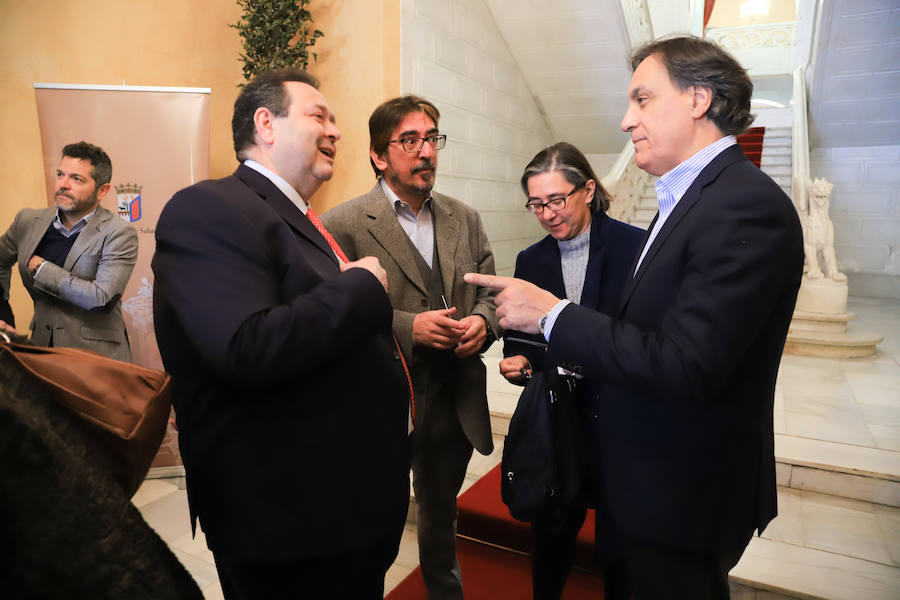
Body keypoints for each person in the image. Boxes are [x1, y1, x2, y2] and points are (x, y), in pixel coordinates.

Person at [465, 36, 804, 600]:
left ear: (698, 98)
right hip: (641, 483)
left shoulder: (744, 205)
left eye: (642, 99)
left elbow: (685, 363)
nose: (626, 121)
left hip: (680, 491)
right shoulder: (689, 200)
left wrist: (554, 315)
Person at [151, 69, 411, 599]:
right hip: (291, 527)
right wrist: (360, 286)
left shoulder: (299, 219)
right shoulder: (210, 208)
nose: (336, 131)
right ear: (265, 124)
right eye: (319, 116)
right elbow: (246, 346)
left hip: (343, 513)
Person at [323, 94, 498, 599]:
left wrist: (483, 323)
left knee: (441, 518)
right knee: (374, 521)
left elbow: (487, 287)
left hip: (453, 397)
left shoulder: (464, 217)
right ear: (380, 155)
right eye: (410, 141)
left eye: (432, 139)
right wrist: (405, 327)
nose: (426, 152)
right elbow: (332, 316)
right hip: (381, 402)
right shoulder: (345, 224)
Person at [500, 142, 643, 600]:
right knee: (552, 537)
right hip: (558, 424)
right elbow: (524, 338)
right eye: (536, 204)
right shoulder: (531, 260)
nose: (546, 214)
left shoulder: (634, 248)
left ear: (588, 190)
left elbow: (641, 341)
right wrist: (518, 360)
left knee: (620, 550)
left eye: (556, 200)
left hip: (621, 422)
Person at [0, 142, 137, 361]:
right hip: (42, 353)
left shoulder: (119, 233)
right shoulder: (27, 221)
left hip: (98, 363)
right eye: (60, 174)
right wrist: (3, 313)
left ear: (103, 190)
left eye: (76, 179)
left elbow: (101, 299)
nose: (63, 184)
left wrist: (42, 269)